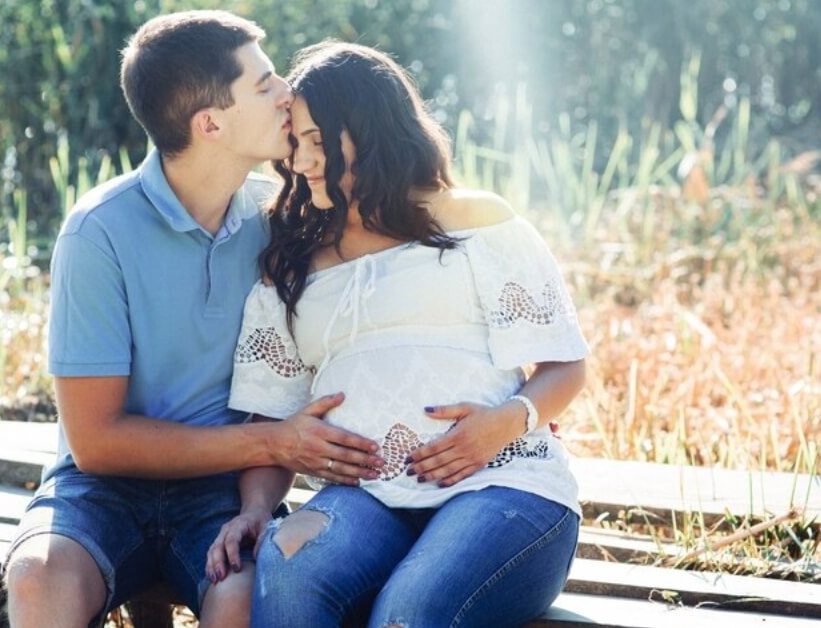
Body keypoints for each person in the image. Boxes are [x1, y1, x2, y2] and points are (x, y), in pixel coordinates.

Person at [1, 13, 386, 628]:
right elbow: (96, 442)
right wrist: (271, 439)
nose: (287, 93)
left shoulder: (277, 217)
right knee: (37, 577)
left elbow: (393, 261)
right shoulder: (98, 232)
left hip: (224, 494)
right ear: (210, 124)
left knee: (245, 596)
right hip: (101, 493)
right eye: (263, 85)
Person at [207, 42, 590, 628]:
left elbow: (565, 366)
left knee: (408, 611)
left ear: (370, 131)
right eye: (296, 144)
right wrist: (258, 509)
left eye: (318, 141)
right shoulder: (291, 265)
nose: (302, 161)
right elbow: (269, 420)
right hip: (365, 500)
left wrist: (501, 425)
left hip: (503, 485)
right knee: (288, 573)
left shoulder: (475, 221)